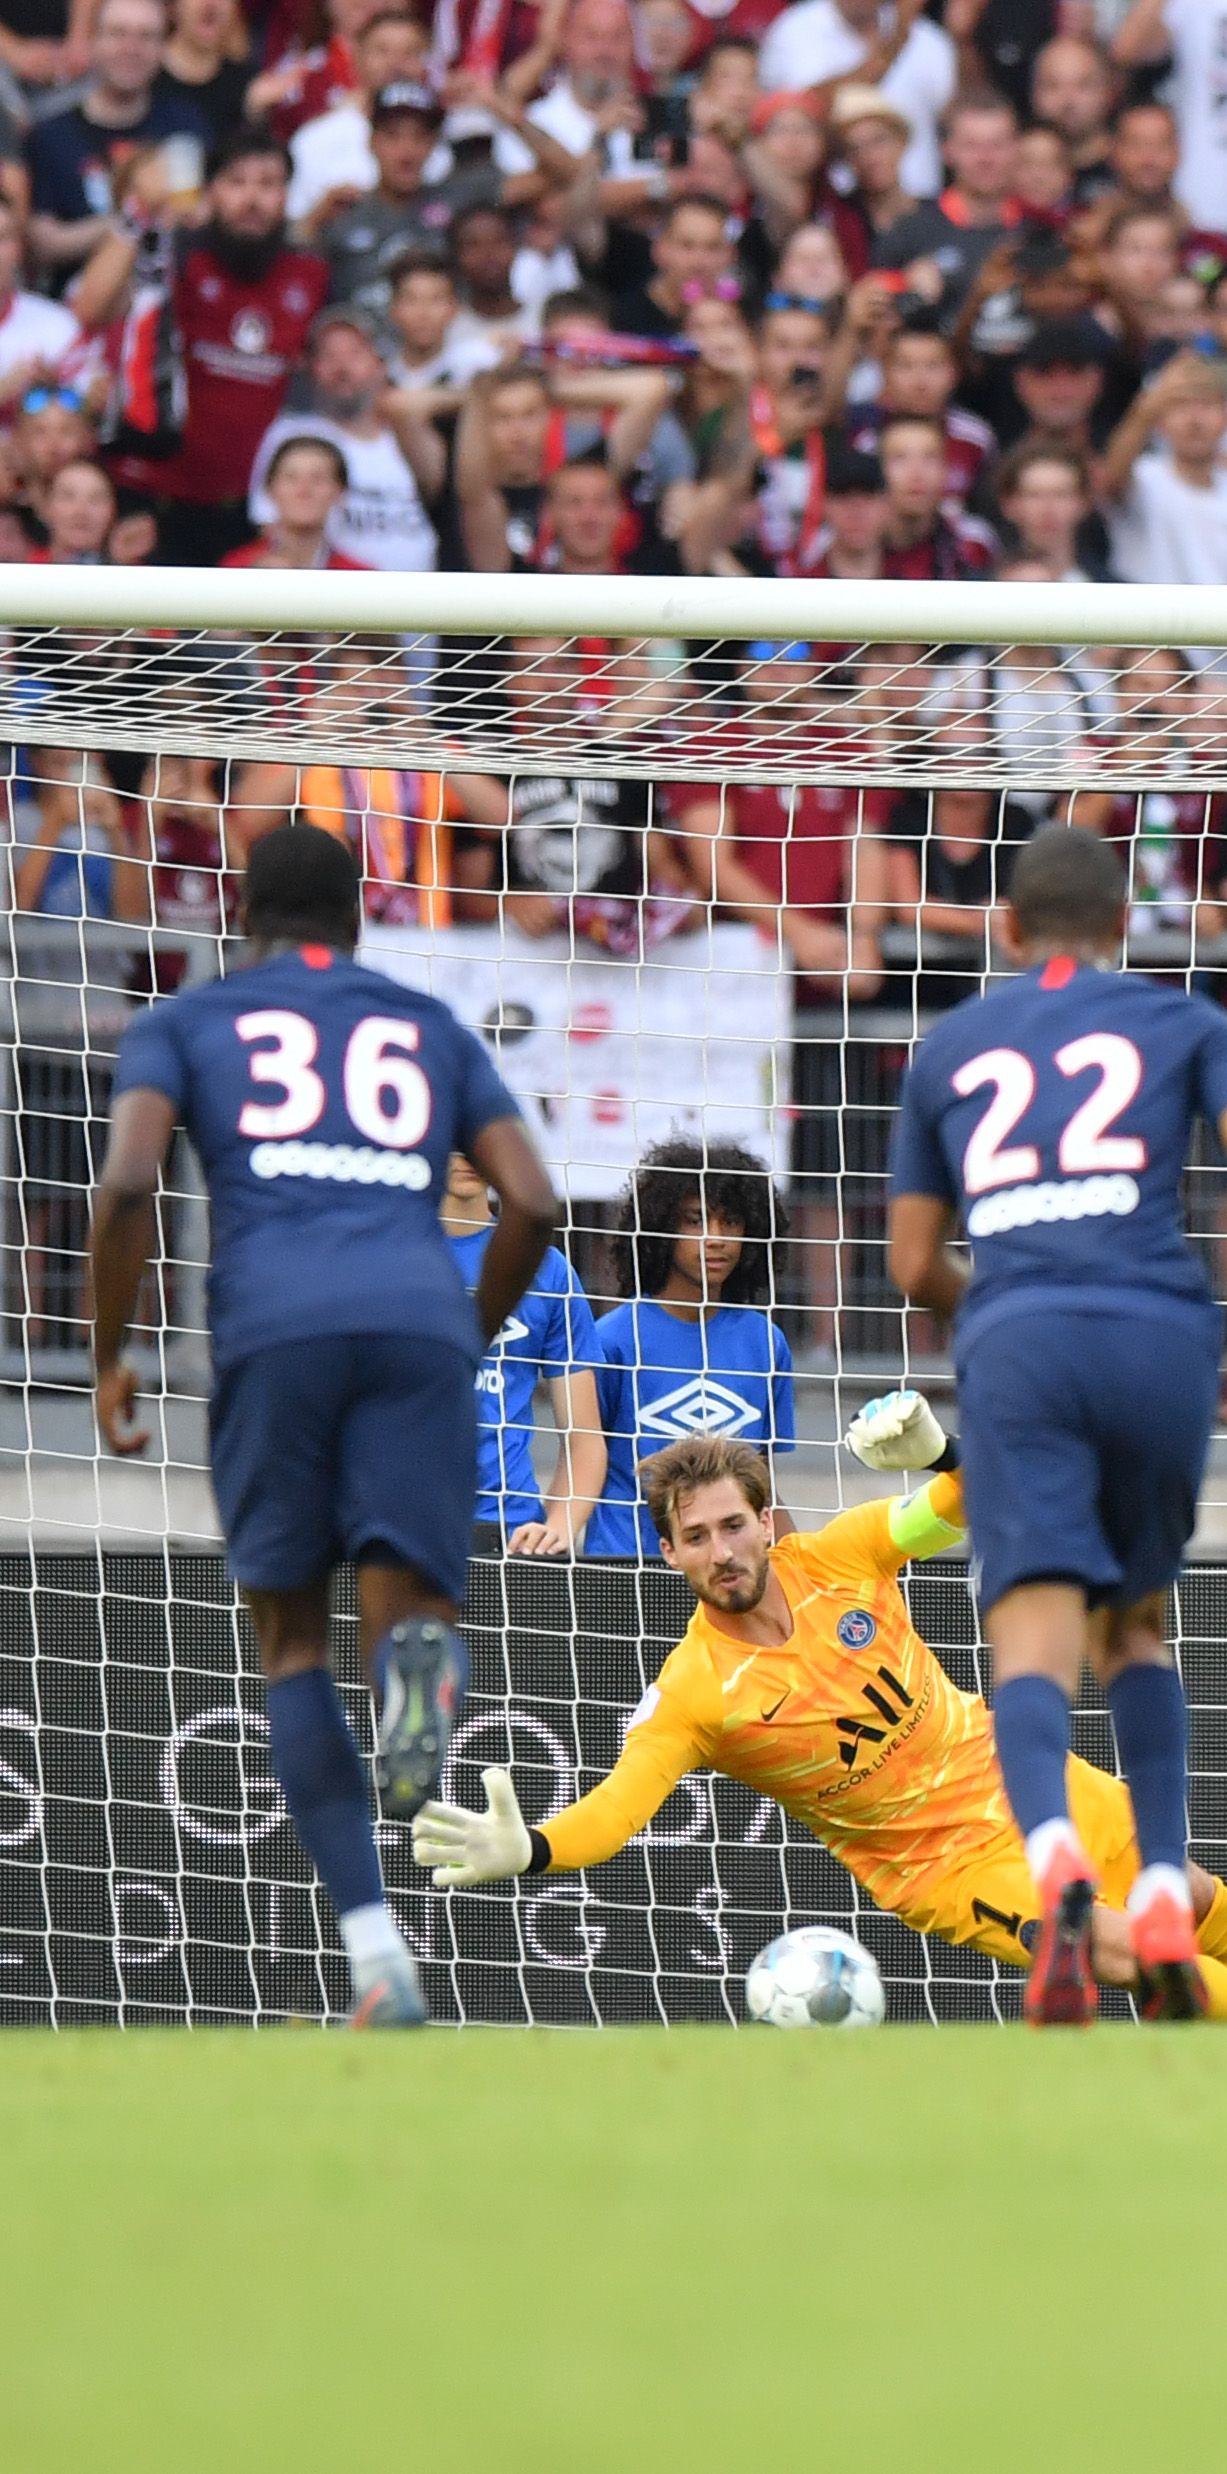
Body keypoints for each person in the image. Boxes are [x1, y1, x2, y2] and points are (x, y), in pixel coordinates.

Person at [412, 1402, 1227, 2026]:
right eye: (695, 1538)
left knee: (1198, 1904)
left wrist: (943, 1453)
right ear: (668, 1555)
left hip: (1026, 1784)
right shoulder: (694, 1694)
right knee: (1121, 1949)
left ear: (765, 1518)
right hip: (944, 1865)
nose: (721, 1551)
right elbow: (617, 1810)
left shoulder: (842, 1556)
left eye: (734, 1525)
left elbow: (969, 1500)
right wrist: (534, 1847)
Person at [84, 824, 563, 2026]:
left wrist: (108, 1352)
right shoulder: (429, 1025)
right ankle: (415, 1679)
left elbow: (132, 1181)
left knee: (291, 1640)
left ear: (244, 916)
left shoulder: (188, 1020)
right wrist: (465, 1330)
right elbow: (537, 1197)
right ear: (359, 918)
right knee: (406, 1606)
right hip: (414, 1319)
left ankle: (374, 1956)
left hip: (272, 1329)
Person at [886, 822, 1227, 2026]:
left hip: (1023, 1339)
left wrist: (1007, 1306)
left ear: (1009, 930)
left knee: (1033, 1642)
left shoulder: (950, 1044)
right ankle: (1163, 1882)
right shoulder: (1182, 1020)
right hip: (1160, 1334)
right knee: (1136, 1627)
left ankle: (1066, 1867)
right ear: (1127, 926)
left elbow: (914, 1262)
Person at [578, 1137, 796, 1558]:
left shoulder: (766, 1342)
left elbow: (761, 1484)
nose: (716, 1238)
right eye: (696, 1221)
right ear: (661, 1228)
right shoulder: (612, 1339)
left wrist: (802, 1563)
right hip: (628, 1566)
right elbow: (586, 1457)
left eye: (731, 1222)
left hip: (729, 1570)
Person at [444, 1146, 599, 1560]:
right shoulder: (381, 1261)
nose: (468, 1153)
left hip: (508, 1535)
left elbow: (584, 1438)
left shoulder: (545, 1269)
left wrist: (557, 1528)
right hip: (395, 1532)